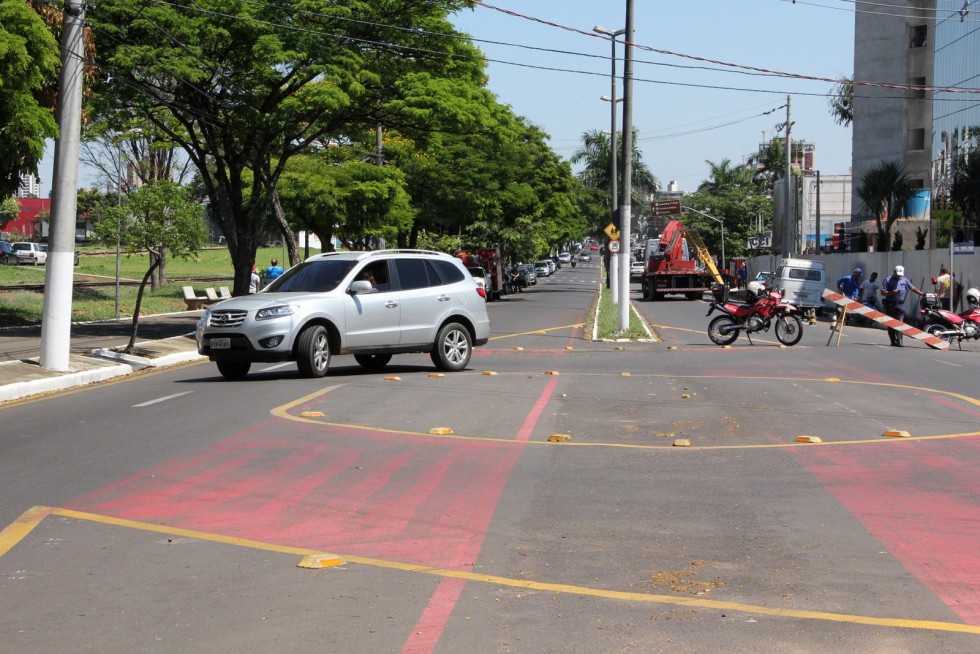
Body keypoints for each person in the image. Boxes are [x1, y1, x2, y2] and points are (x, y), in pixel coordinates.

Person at [880, 265, 925, 347]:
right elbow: (882, 292)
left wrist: (922, 294)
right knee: (891, 323)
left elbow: (912, 288)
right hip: (890, 305)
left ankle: (900, 340)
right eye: (897, 274)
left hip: (900, 305)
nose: (899, 276)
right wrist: (892, 292)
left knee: (900, 322)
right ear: (894, 272)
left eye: (900, 275)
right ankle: (893, 341)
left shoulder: (904, 280)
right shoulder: (887, 280)